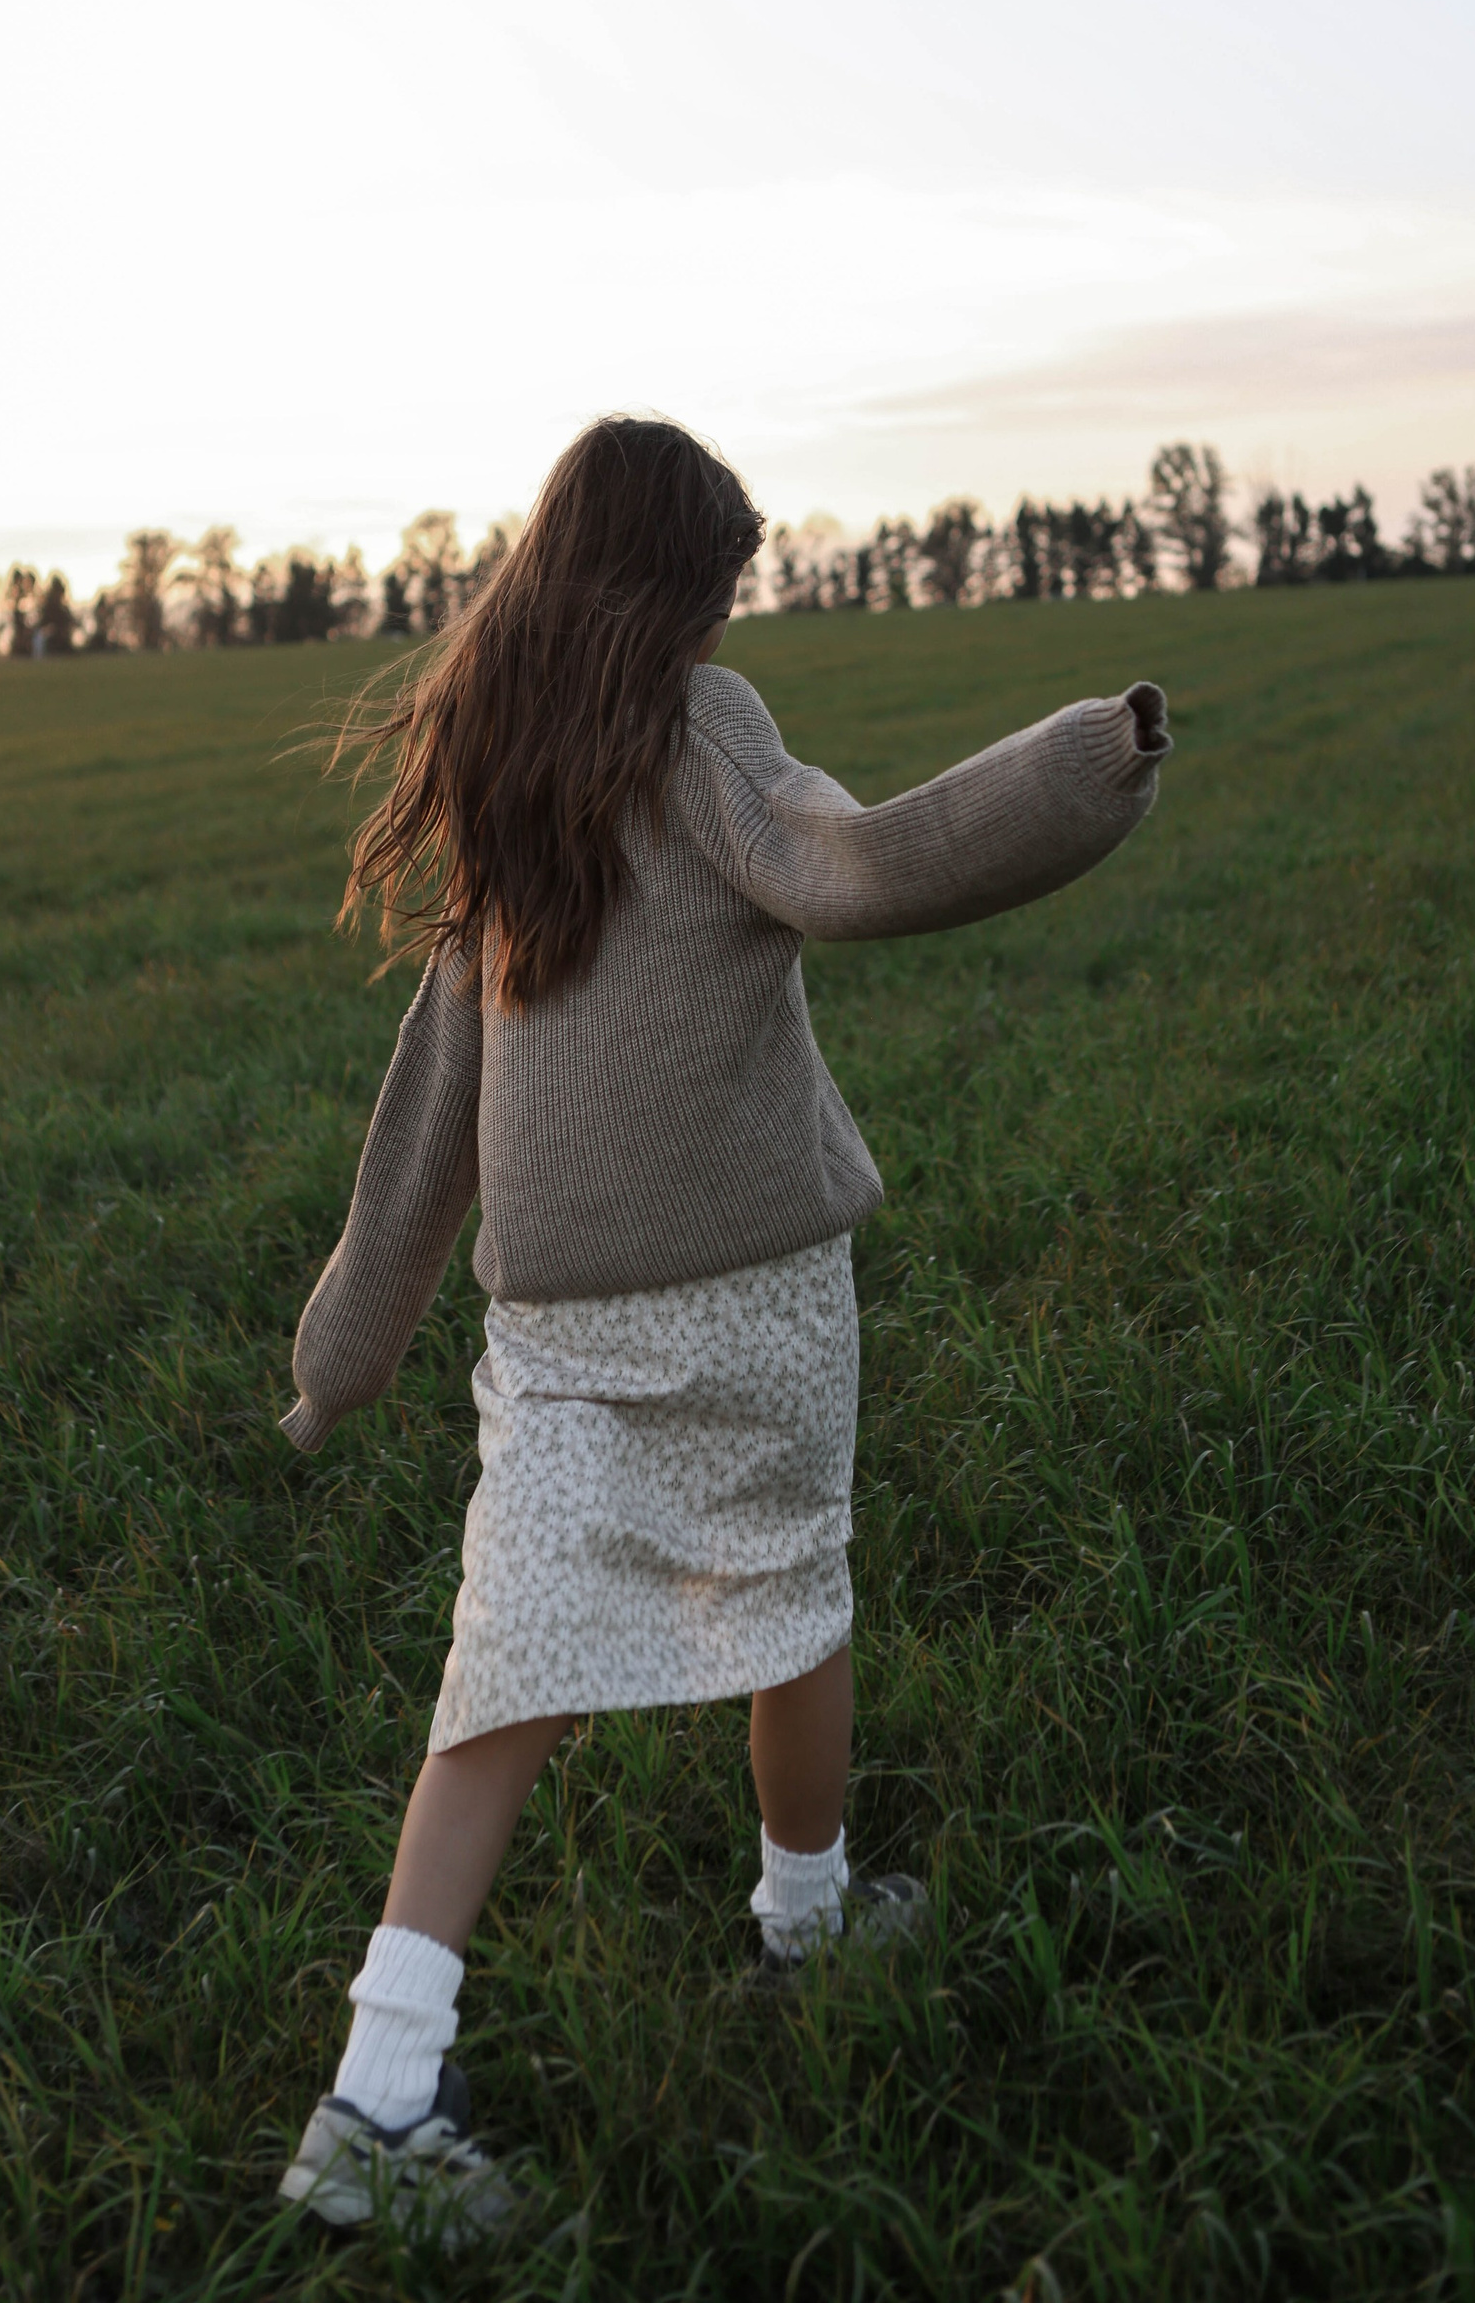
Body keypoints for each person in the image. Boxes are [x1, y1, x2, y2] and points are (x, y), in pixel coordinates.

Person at [276, 417, 1171, 2234]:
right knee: (793, 1598)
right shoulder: (702, 731)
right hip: (756, 1296)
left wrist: (339, 1357)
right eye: (722, 585)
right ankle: (806, 1921)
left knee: (498, 1683)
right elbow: (856, 864)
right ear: (675, 586)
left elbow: (432, 1098)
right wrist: (1095, 755)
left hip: (557, 1338)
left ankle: (377, 2091)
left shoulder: (508, 765)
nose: (731, 617)